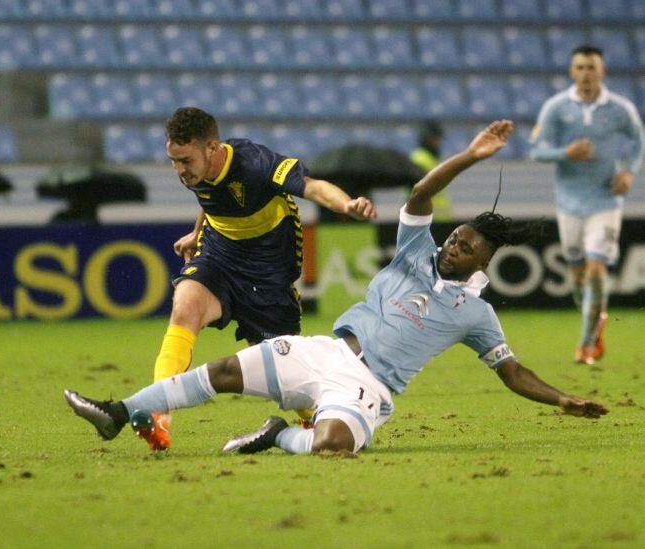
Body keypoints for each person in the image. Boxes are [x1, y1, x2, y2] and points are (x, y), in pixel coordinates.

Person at [65, 120, 609, 456]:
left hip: (368, 389)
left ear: (483, 262)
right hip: (324, 351)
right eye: (454, 238)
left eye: (465, 247)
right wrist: (469, 157)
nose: (452, 246)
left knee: (330, 446)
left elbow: (511, 371)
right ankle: (119, 412)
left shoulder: (475, 314)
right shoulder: (414, 251)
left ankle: (279, 436)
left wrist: (562, 398)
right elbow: (421, 193)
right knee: (222, 371)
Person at [141, 107, 377, 450]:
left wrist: (346, 205)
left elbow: (312, 187)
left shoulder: (255, 163)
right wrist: (196, 234)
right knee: (185, 308)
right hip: (220, 254)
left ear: (212, 147)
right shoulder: (197, 170)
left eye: (185, 160)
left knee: (284, 367)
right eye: (173, 160)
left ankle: (321, 419)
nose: (179, 170)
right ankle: (157, 413)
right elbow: (211, 198)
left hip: (267, 268)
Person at [530, 44, 644, 365]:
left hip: (606, 199)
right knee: (578, 276)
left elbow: (638, 140)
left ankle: (587, 342)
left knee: (596, 269)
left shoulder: (620, 109)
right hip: (568, 203)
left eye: (591, 68)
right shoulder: (556, 108)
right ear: (572, 72)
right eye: (579, 68)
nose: (585, 74)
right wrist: (564, 153)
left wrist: (629, 172)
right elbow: (537, 150)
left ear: (602, 71)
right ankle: (596, 318)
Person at [410, 120, 452, 220]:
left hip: (437, 219)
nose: (438, 143)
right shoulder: (420, 159)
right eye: (435, 139)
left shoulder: (430, 158)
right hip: (427, 220)